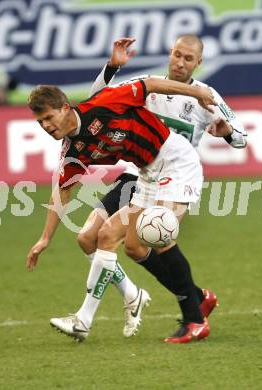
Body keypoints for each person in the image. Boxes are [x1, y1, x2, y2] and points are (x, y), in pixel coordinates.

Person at [45, 36, 247, 342]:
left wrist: (227, 131)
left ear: (198, 63)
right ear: (170, 54)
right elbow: (94, 103)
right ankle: (192, 299)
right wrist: (112, 66)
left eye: (188, 58)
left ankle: (193, 315)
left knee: (152, 235)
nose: (180, 62)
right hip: (139, 172)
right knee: (119, 242)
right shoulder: (148, 84)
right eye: (177, 55)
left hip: (177, 172)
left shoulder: (207, 96)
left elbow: (241, 137)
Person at [26, 74, 218, 343]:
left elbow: (149, 84)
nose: (46, 126)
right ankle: (198, 298)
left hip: (176, 161)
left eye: (48, 117)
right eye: (40, 122)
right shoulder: (72, 150)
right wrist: (45, 238)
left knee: (160, 234)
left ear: (65, 108)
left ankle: (195, 321)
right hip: (147, 174)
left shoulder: (104, 102)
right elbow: (63, 190)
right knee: (118, 241)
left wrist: (194, 93)